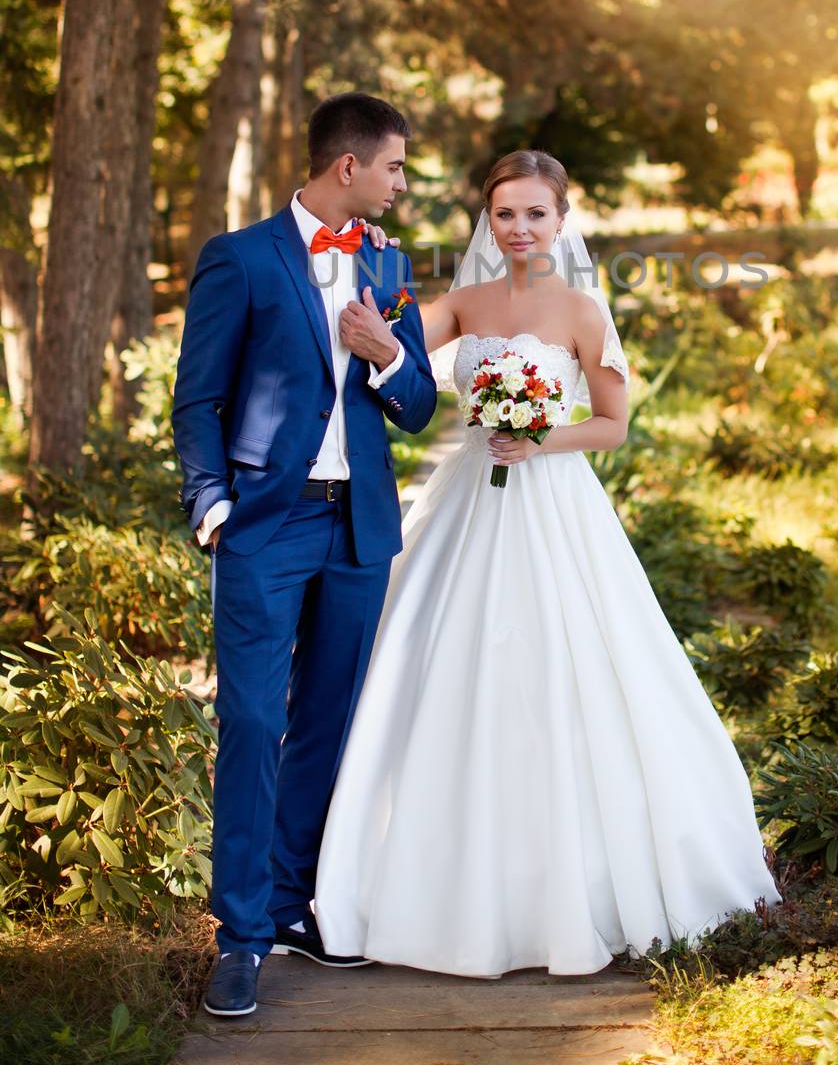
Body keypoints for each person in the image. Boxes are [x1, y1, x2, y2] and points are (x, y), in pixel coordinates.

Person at [313, 149, 781, 977]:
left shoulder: (582, 310)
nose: (520, 228)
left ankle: (575, 881)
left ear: (562, 221)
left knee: (572, 668)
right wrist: (368, 290)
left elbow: (611, 426)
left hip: (552, 500)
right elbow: (386, 353)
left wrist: (537, 438)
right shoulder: (462, 302)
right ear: (486, 223)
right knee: (435, 657)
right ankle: (423, 877)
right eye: (504, 214)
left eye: (535, 213)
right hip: (465, 500)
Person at [172, 92, 437, 1017]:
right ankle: (238, 937)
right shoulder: (239, 259)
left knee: (330, 719)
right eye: (396, 166)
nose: (403, 182)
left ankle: (291, 908)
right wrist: (210, 506)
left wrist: (385, 355)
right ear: (348, 167)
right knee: (251, 724)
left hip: (358, 528)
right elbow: (196, 400)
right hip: (264, 528)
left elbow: (417, 407)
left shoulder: (391, 265)